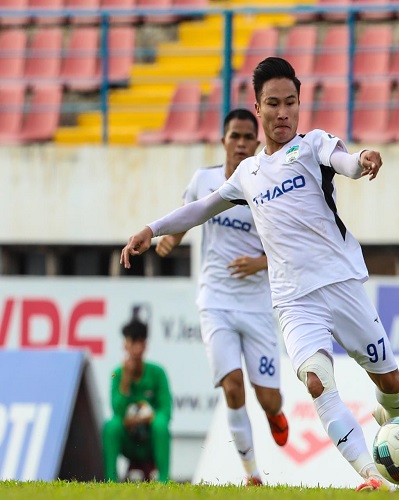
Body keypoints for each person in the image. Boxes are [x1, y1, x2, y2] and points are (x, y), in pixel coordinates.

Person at [120, 57, 399, 491]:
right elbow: (201, 208)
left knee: (391, 383)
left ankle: (391, 415)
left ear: (299, 103)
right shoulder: (248, 174)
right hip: (294, 301)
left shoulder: (313, 145)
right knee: (316, 382)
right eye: (273, 104)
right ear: (259, 108)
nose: (283, 112)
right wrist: (152, 228)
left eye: (291, 102)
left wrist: (363, 158)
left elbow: (345, 162)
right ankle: (370, 475)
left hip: (341, 284)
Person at [154, 108, 289, 486]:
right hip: (215, 302)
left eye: (248, 137)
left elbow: (289, 247)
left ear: (257, 142)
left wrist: (259, 263)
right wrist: (171, 239)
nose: (241, 143)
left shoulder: (270, 187)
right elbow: (188, 214)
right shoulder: (205, 180)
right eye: (235, 136)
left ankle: (275, 413)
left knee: (268, 398)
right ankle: (252, 475)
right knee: (231, 386)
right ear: (223, 141)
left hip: (257, 305)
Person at [103, 306, 172, 483]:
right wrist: (125, 381)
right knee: (111, 427)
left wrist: (148, 418)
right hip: (129, 440)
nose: (134, 349)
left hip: (150, 439)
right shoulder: (117, 374)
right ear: (125, 345)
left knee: (161, 425)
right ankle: (111, 481)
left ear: (144, 345)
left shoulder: (157, 373)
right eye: (130, 343)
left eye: (138, 343)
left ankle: (164, 480)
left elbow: (166, 410)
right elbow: (117, 411)